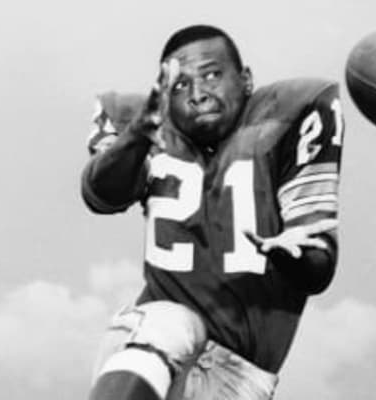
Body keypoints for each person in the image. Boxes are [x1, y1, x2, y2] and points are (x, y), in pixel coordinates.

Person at [81, 24, 344, 400]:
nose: (198, 95)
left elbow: (318, 270)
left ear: (246, 79)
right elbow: (102, 195)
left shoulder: (293, 113)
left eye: (211, 75)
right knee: (170, 321)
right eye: (180, 85)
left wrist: (295, 255)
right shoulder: (144, 124)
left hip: (240, 377)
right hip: (152, 350)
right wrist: (138, 135)